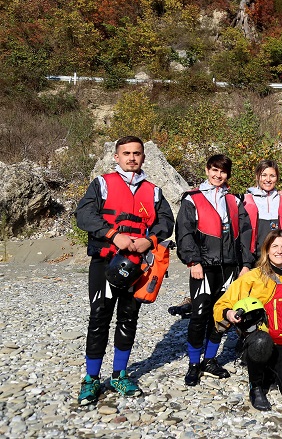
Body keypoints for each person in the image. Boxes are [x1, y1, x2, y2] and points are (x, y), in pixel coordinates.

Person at [75, 136, 175, 405]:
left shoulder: (153, 191)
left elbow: (166, 221)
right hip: (106, 262)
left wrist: (150, 240)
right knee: (99, 319)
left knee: (128, 318)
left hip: (138, 265)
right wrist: (112, 234)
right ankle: (91, 379)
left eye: (137, 153)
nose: (132, 157)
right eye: (126, 153)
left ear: (144, 157)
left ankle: (119, 374)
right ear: (116, 157)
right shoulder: (102, 184)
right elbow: (83, 215)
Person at [214, 229, 282, 410]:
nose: (279, 251)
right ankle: (256, 387)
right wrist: (229, 313)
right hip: (261, 342)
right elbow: (222, 304)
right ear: (267, 250)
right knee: (261, 341)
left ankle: (272, 370)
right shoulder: (253, 276)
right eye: (274, 246)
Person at [175, 154, 254, 386]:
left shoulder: (235, 200)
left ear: (227, 174)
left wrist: (246, 264)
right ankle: (193, 364)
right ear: (207, 170)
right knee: (199, 316)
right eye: (214, 170)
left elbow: (246, 233)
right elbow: (184, 232)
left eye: (223, 172)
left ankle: (209, 360)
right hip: (204, 266)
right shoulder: (192, 199)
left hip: (229, 267)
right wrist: (193, 261)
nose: (218, 175)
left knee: (220, 316)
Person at [241, 160, 282, 264]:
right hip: (254, 262)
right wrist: (246, 263)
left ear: (277, 177)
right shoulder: (244, 201)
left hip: (281, 262)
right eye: (264, 175)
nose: (268, 179)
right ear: (257, 176)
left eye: (272, 176)